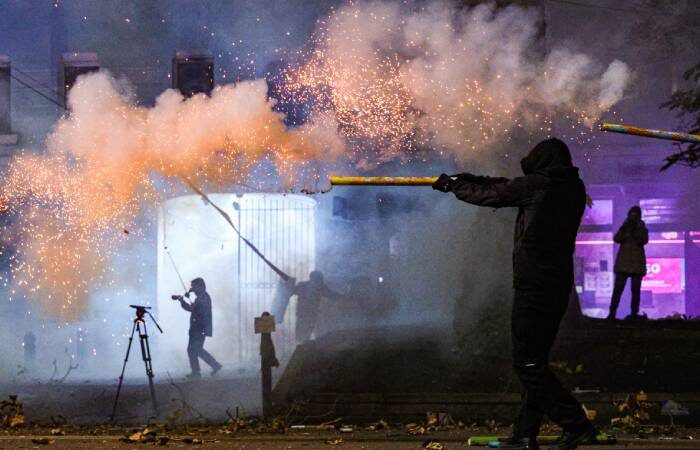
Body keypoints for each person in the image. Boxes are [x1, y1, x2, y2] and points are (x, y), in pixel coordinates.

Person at [432, 138, 597, 450]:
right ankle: (525, 434)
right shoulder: (572, 187)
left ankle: (577, 424)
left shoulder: (539, 185)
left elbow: (496, 194)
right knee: (535, 361)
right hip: (556, 285)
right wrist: (469, 178)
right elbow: (506, 186)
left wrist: (453, 187)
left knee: (528, 364)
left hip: (534, 285)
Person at [607, 206, 648, 320]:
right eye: (632, 214)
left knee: (634, 292)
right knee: (618, 291)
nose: (633, 217)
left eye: (635, 214)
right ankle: (612, 314)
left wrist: (635, 230)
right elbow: (617, 238)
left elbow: (644, 240)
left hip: (634, 264)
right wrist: (626, 228)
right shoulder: (625, 226)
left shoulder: (641, 227)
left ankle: (633, 314)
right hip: (625, 264)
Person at [177, 278, 222, 378]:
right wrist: (183, 300)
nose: (192, 288)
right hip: (199, 328)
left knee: (192, 350)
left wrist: (184, 299)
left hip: (199, 328)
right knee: (197, 349)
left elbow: (194, 309)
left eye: (194, 286)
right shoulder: (202, 297)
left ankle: (197, 372)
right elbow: (193, 309)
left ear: (200, 286)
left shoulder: (203, 297)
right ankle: (214, 365)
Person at [291, 271, 342, 342]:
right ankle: (303, 344)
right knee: (303, 333)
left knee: (304, 333)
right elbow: (332, 295)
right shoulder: (315, 286)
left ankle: (303, 344)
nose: (320, 281)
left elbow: (332, 295)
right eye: (319, 279)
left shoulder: (307, 286)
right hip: (306, 314)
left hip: (306, 314)